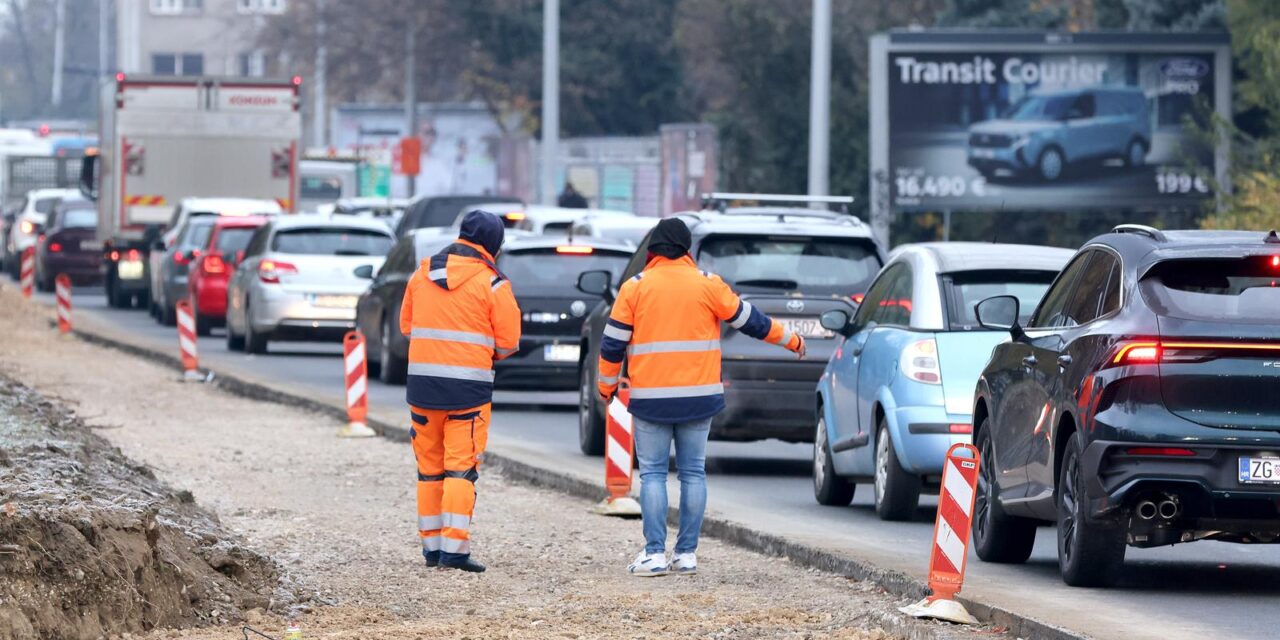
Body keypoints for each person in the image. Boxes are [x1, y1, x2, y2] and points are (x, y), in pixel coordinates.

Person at [596, 218, 806, 577]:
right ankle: (687, 554)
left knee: (653, 475)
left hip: (651, 398)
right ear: (687, 250)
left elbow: (612, 343)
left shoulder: (635, 288)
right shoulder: (707, 285)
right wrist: (791, 339)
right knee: (693, 473)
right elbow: (750, 321)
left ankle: (654, 554)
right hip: (700, 396)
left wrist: (606, 387)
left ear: (652, 252)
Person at [400, 209, 521, 573]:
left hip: (421, 388)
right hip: (468, 392)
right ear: (493, 245)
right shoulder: (493, 283)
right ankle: (453, 552)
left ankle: (431, 548)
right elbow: (510, 341)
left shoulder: (421, 275)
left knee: (429, 471)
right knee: (460, 471)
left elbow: (407, 326)